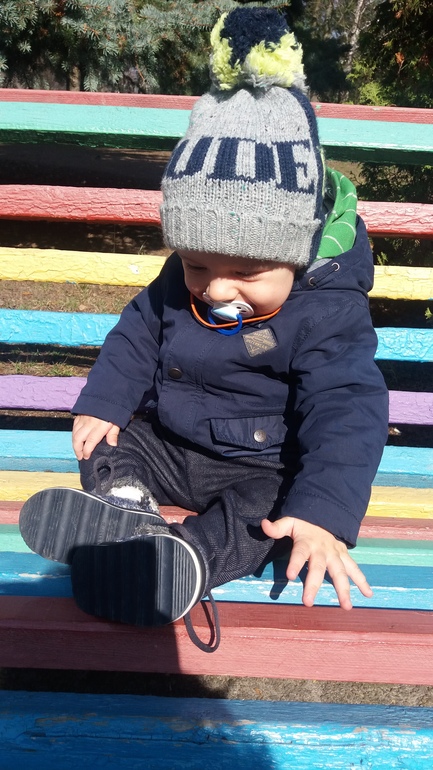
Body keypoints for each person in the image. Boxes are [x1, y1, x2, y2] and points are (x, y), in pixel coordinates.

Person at [19, 7, 389, 652]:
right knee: (108, 443)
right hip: (168, 445)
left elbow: (347, 407)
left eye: (245, 272)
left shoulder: (326, 309)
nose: (216, 289)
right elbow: (140, 329)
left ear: (297, 254)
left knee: (273, 516)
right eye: (196, 266)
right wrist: (106, 400)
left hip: (257, 464)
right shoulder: (185, 278)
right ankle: (126, 507)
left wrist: (321, 514)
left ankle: (181, 558)